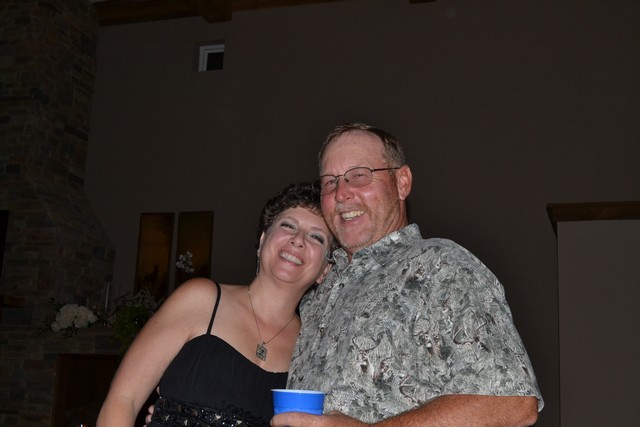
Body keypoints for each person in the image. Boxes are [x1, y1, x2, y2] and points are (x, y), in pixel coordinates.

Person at [271, 123, 543, 426]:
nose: (342, 193)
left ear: (402, 182)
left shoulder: (440, 265)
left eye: (359, 175)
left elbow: (512, 402)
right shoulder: (319, 292)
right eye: (330, 182)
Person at [97, 182, 334, 427]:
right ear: (263, 239)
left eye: (316, 237)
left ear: (325, 270)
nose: (298, 240)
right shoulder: (201, 299)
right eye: (288, 225)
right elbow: (122, 400)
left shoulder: (311, 348)